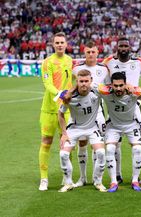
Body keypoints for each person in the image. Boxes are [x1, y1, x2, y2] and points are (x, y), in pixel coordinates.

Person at [103, 36, 141, 184]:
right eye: (120, 46)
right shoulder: (109, 61)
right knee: (116, 143)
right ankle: (117, 175)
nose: (123, 49)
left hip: (134, 105)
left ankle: (137, 176)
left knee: (136, 143)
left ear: (130, 48)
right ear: (117, 48)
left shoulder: (138, 62)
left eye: (125, 46)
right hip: (115, 103)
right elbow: (99, 75)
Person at [58, 69, 106, 192]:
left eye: (86, 81)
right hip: (74, 128)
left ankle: (98, 181)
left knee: (100, 152)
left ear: (91, 81)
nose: (84, 84)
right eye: (81, 81)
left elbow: (112, 91)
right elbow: (60, 114)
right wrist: (64, 134)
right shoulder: (69, 97)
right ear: (77, 82)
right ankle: (68, 183)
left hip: (92, 127)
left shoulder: (97, 91)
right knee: (63, 154)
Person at [96, 72, 141, 192]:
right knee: (111, 149)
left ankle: (135, 180)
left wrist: (133, 88)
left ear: (125, 84)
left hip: (131, 124)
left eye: (121, 85)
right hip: (114, 125)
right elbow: (94, 85)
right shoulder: (106, 93)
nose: (118, 88)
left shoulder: (133, 93)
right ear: (111, 85)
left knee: (137, 149)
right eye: (115, 85)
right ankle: (113, 182)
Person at [72, 41, 110, 188]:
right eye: (88, 52)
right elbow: (72, 87)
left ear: (97, 52)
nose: (91, 54)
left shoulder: (104, 69)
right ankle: (82, 178)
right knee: (82, 143)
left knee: (97, 145)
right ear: (84, 52)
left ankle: (96, 179)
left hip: (98, 112)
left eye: (93, 52)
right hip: (81, 113)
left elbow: (107, 88)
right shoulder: (77, 68)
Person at [38, 32, 73, 191]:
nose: (60, 45)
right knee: (46, 142)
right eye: (57, 42)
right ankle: (44, 178)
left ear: (66, 44)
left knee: (66, 143)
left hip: (65, 110)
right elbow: (47, 83)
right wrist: (60, 93)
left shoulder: (69, 61)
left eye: (62, 42)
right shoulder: (47, 62)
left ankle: (67, 177)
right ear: (53, 44)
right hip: (49, 110)